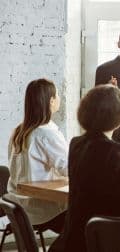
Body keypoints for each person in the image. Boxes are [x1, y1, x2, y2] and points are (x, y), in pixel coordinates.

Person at [50, 85, 120, 252]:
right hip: (94, 242)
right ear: (118, 118)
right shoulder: (111, 149)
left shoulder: (77, 143)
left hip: (71, 240)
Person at [6, 78, 67, 232]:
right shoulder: (46, 133)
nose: (59, 98)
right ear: (51, 101)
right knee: (87, 214)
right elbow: (69, 168)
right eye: (58, 95)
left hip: (18, 207)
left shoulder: (19, 131)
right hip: (42, 209)